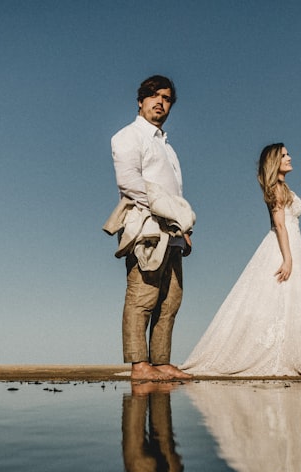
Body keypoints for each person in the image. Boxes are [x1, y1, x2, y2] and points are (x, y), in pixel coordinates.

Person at [181, 143, 301, 376]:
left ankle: (288, 352)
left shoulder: (284, 188)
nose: (289, 157)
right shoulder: (275, 188)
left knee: (289, 299)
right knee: (276, 296)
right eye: (284, 155)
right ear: (275, 161)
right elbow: (280, 225)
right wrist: (287, 259)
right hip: (283, 245)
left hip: (293, 243)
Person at [110, 74, 193, 382]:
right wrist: (169, 211)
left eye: (167, 98)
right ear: (141, 101)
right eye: (154, 96)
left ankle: (160, 362)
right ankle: (138, 364)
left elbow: (176, 193)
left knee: (170, 298)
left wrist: (184, 227)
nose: (160, 102)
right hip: (144, 225)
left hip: (172, 230)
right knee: (143, 295)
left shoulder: (168, 148)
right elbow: (129, 183)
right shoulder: (127, 136)